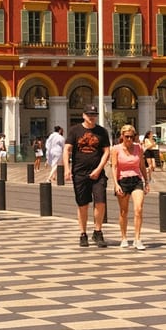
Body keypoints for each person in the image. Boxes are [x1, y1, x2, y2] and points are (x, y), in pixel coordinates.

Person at [65, 104, 111, 248]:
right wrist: (67, 168)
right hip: (79, 172)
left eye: (94, 115)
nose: (92, 117)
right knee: (83, 204)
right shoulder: (75, 130)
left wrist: (99, 169)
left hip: (97, 173)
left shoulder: (101, 132)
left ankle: (98, 231)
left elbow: (107, 152)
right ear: (83, 115)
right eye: (89, 114)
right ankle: (83, 233)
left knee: (100, 201)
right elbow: (67, 149)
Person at [110, 124, 149, 250]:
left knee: (138, 209)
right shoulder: (116, 149)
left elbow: (142, 166)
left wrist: (146, 181)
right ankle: (124, 237)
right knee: (124, 211)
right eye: (127, 137)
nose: (129, 139)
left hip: (136, 180)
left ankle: (137, 238)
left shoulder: (138, 148)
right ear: (122, 136)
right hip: (123, 180)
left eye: (132, 137)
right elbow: (114, 167)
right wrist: (115, 184)